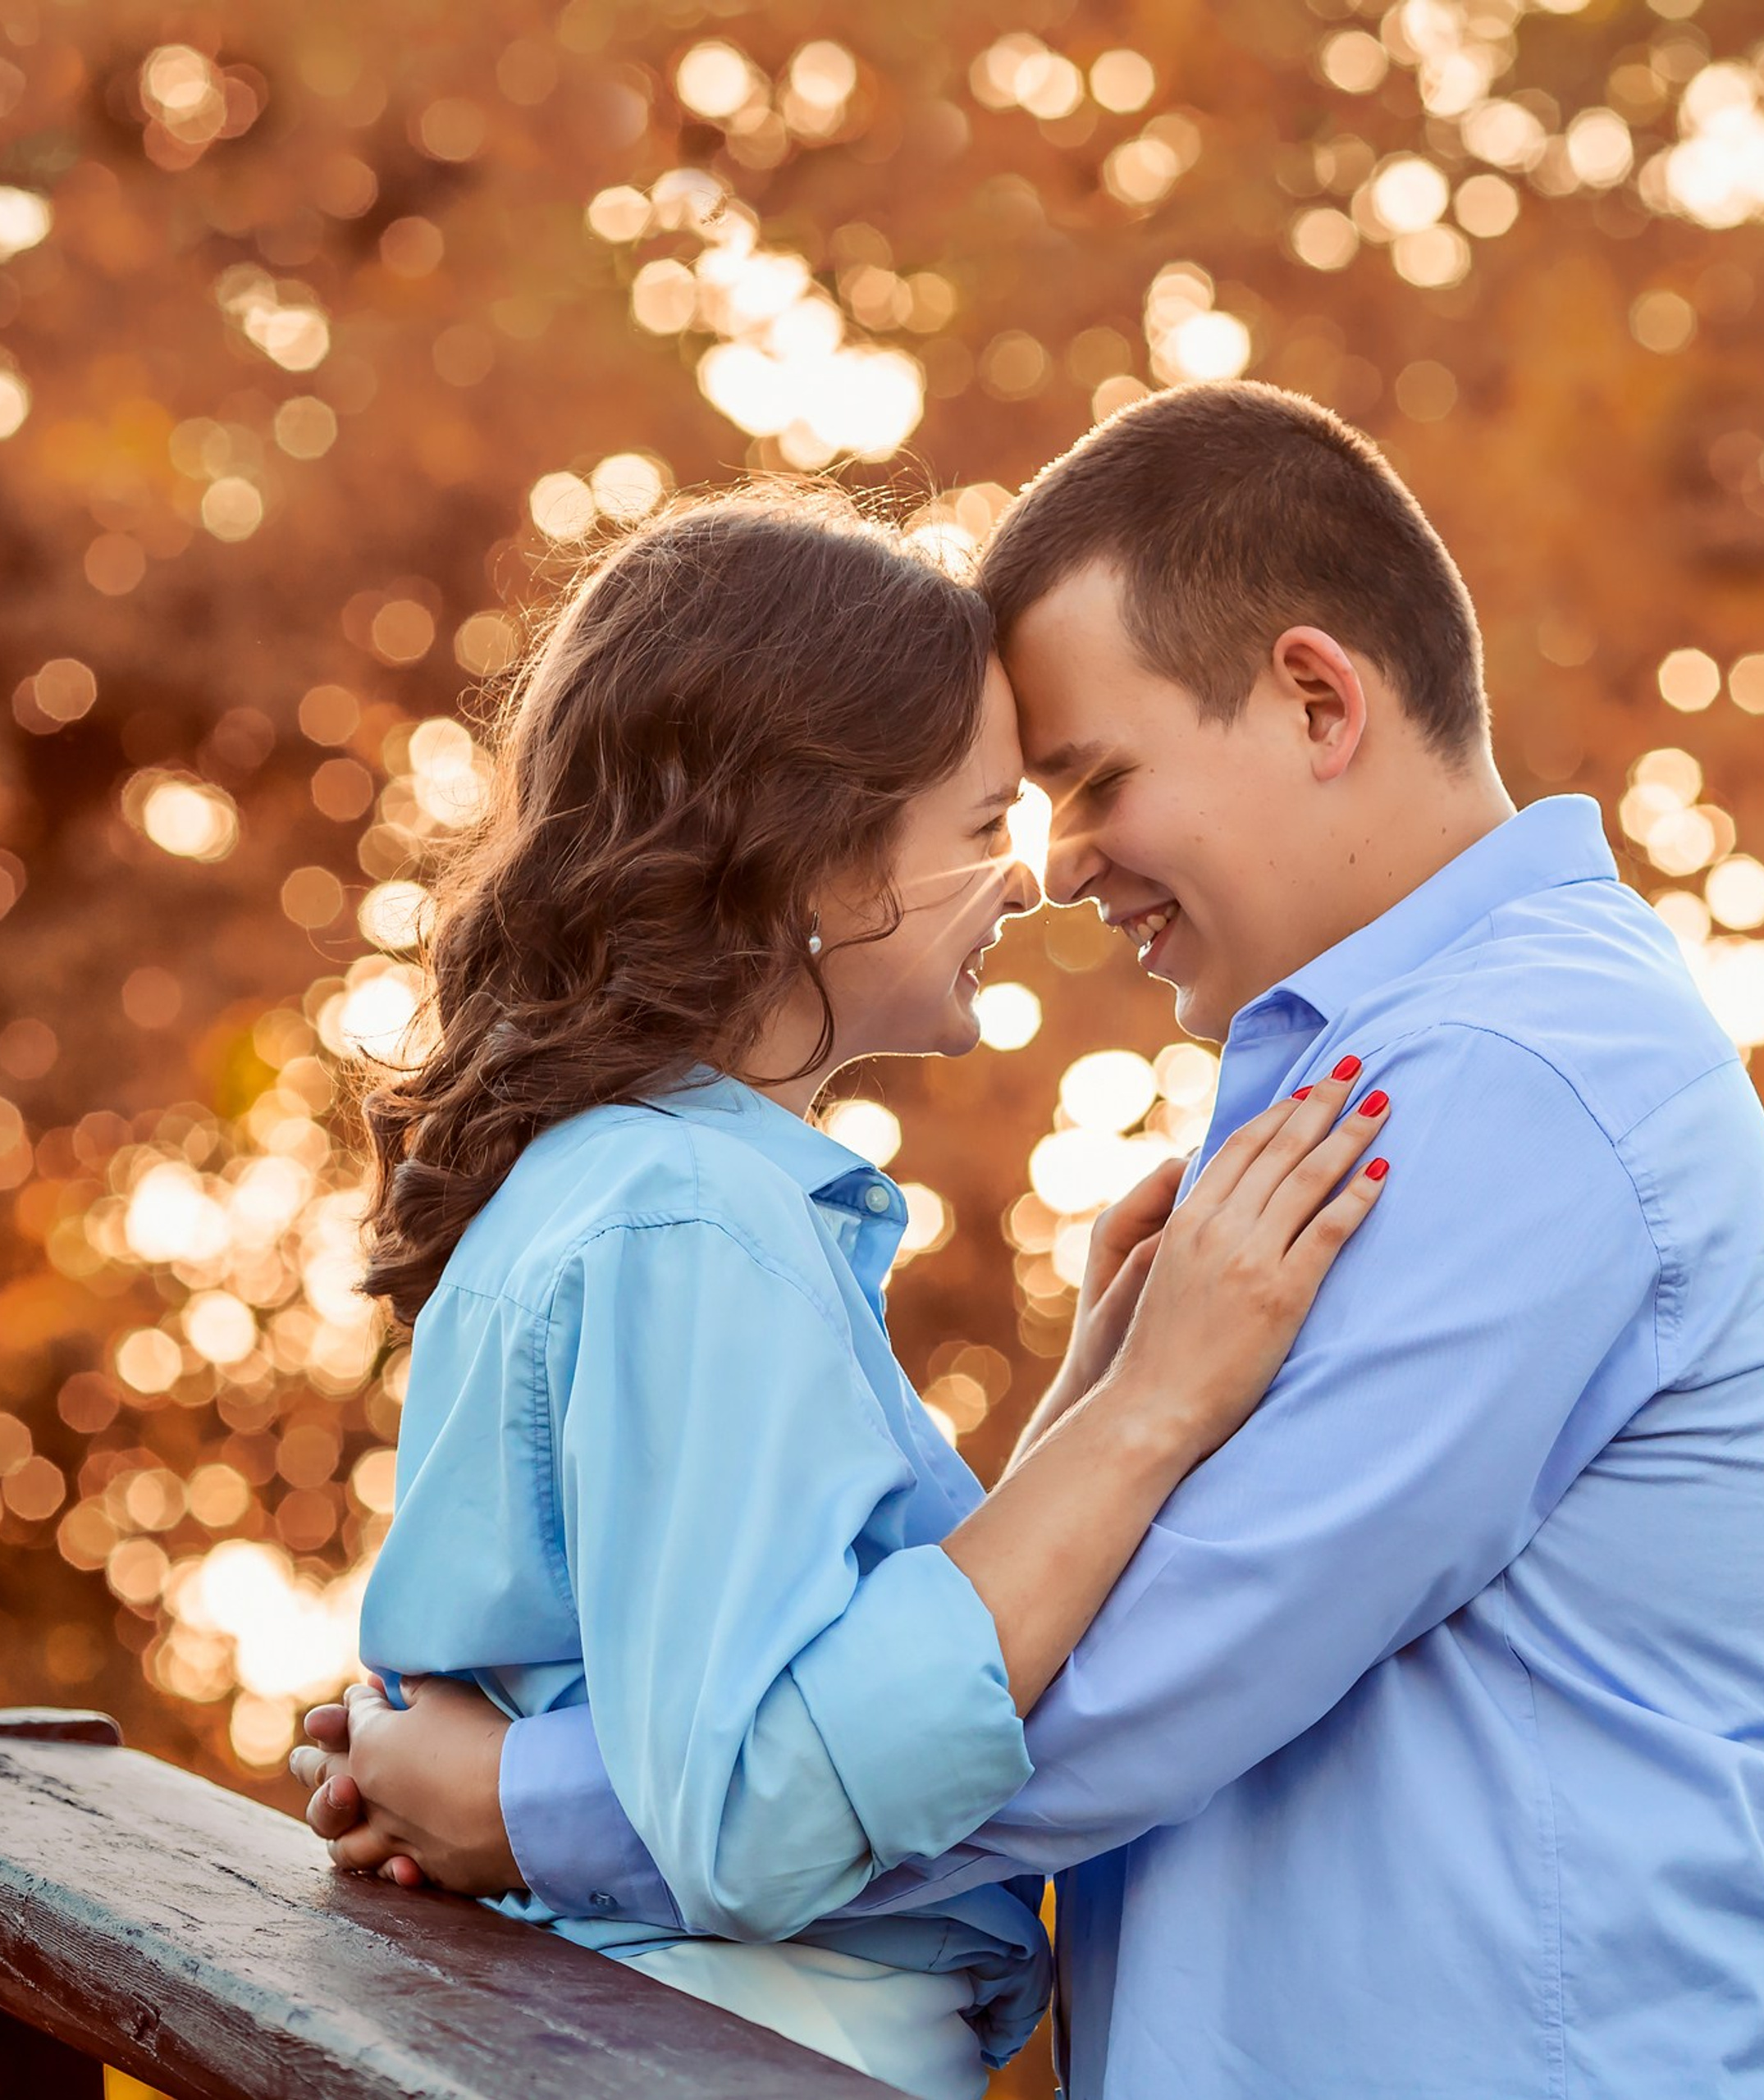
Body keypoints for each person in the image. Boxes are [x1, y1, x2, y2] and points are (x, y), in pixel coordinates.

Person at [302, 385, 1764, 2098]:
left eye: (1088, 781)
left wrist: (526, 1796)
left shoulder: (1505, 1083)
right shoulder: (1373, 1075)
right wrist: (1098, 1401)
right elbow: (1020, 1637)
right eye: (1003, 813)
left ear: (1315, 697)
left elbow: (1130, 1679)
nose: (1056, 868)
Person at [324, 482, 1390, 2100]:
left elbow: (790, 1658)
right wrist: (1161, 1408)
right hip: (733, 2044)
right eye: (981, 826)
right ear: (814, 859)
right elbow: (758, 1802)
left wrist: (1090, 1388)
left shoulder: (639, 1188)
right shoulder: (691, 1224)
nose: (1026, 883)